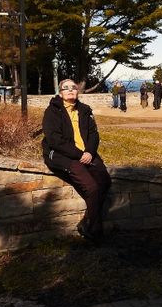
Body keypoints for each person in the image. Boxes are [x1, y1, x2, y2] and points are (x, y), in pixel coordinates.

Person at [42, 79, 111, 243]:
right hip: (62, 155)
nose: (70, 90)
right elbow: (54, 140)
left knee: (105, 181)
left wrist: (89, 151)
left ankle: (87, 219)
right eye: (66, 88)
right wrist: (80, 155)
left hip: (86, 153)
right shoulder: (52, 111)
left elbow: (94, 134)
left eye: (74, 87)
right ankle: (94, 229)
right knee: (91, 188)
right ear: (60, 93)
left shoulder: (85, 110)